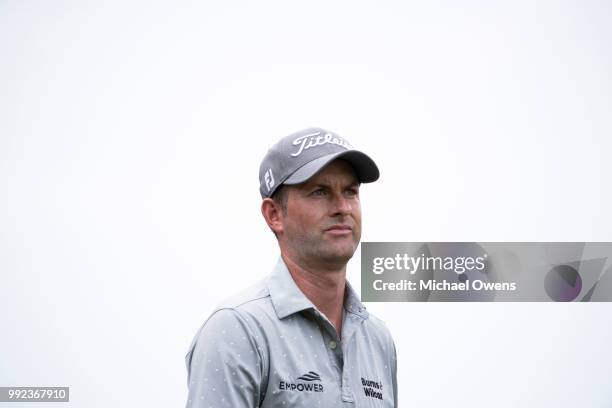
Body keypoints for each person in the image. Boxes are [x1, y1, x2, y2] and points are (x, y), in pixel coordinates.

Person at [184, 127, 398, 407]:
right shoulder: (237, 329)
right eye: (319, 192)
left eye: (350, 191)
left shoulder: (378, 339)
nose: (342, 207)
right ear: (274, 215)